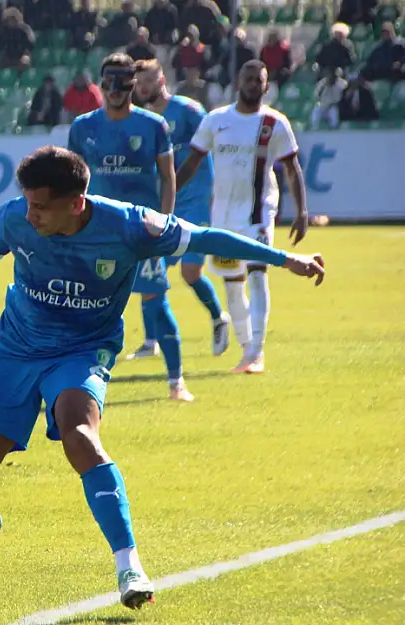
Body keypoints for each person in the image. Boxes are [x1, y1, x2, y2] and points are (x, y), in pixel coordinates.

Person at [0, 145, 326, 611]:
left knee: (79, 433)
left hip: (83, 351)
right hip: (14, 349)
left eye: (41, 205)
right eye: (28, 202)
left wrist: (284, 259)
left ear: (76, 202)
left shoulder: (131, 226)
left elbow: (205, 237)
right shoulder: (14, 220)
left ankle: (129, 565)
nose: (31, 214)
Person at [67, 54, 190, 402]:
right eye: (109, 81)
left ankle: (176, 381)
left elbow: (168, 177)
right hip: (95, 232)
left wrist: (165, 225)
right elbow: (72, 181)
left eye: (123, 81)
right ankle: (76, 383)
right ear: (100, 83)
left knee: (155, 302)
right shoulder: (82, 128)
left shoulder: (153, 126)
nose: (115, 89)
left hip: (142, 231)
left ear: (133, 85)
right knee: (84, 310)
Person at [177, 60, 310, 374]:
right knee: (232, 284)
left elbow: (292, 167)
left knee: (257, 274)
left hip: (258, 211)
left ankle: (256, 351)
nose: (253, 84)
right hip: (222, 214)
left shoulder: (274, 123)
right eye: (248, 78)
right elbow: (192, 163)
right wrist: (167, 196)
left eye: (259, 80)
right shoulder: (216, 120)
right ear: (239, 81)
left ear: (266, 86)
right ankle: (246, 347)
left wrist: (302, 211)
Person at [134, 59, 230, 356]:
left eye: (146, 81)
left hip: (195, 198)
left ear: (161, 79)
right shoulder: (144, 120)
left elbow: (208, 149)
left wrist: (210, 193)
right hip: (165, 201)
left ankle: (218, 317)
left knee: (190, 271)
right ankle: (152, 342)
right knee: (150, 268)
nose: (141, 88)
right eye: (137, 83)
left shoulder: (188, 111)